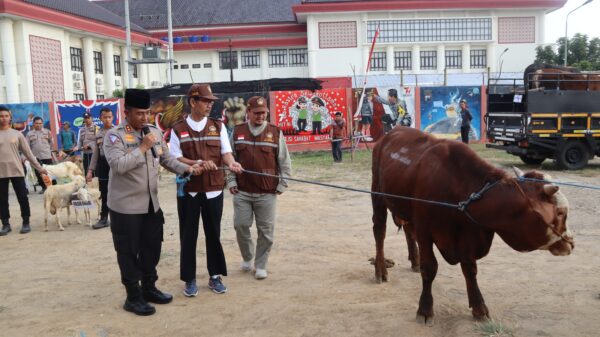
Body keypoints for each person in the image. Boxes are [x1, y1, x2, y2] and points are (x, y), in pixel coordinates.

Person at [103, 89, 201, 316]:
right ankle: (133, 296)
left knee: (152, 248)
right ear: (127, 112)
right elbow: (118, 166)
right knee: (128, 252)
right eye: (139, 113)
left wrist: (187, 168)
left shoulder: (154, 132)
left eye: (147, 113)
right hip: (125, 208)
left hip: (151, 204)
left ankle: (149, 287)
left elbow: (166, 158)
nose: (144, 118)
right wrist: (142, 147)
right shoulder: (114, 136)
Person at [169, 83, 243, 297]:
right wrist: (197, 162)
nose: (210, 105)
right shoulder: (177, 129)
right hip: (189, 190)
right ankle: (189, 279)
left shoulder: (218, 126)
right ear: (193, 102)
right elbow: (174, 158)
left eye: (211, 101)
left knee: (214, 234)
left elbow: (226, 153)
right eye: (206, 101)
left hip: (213, 190)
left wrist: (232, 164)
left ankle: (215, 276)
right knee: (188, 235)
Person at [227, 96, 292, 280]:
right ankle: (248, 257)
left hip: (267, 193)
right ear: (248, 112)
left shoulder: (276, 133)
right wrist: (231, 180)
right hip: (242, 191)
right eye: (256, 113)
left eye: (263, 113)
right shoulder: (238, 131)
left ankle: (261, 264)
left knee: (266, 231)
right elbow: (229, 158)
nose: (260, 116)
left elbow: (285, 163)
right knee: (240, 225)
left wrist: (283, 183)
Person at [0, 106, 48, 236]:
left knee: (22, 197)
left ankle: (26, 222)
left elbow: (28, 154)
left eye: (6, 116)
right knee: (2, 199)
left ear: (10, 117)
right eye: (1, 116)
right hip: (1, 173)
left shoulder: (17, 134)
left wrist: (40, 168)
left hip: (17, 171)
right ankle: (5, 224)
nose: (3, 118)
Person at [86, 107, 115, 229]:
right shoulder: (98, 134)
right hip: (103, 165)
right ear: (101, 118)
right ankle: (104, 218)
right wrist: (90, 170)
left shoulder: (119, 131)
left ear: (112, 117)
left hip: (116, 164)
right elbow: (96, 153)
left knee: (118, 192)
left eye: (109, 117)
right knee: (104, 192)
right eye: (105, 117)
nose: (107, 119)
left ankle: (119, 217)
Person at [26, 116, 55, 193]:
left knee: (49, 172)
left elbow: (51, 143)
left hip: (46, 156)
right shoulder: (29, 134)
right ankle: (44, 188)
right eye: (36, 123)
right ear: (33, 124)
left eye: (40, 123)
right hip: (36, 157)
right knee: (39, 173)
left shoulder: (47, 132)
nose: (38, 125)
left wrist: (48, 150)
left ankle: (53, 187)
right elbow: (27, 146)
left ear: (42, 124)